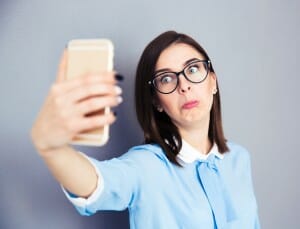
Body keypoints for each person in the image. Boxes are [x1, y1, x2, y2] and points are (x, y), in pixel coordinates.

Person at [31, 31, 260, 229]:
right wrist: (52, 149)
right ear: (157, 101)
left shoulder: (239, 158)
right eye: (167, 79)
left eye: (192, 69)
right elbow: (99, 183)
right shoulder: (146, 166)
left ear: (213, 81)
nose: (184, 85)